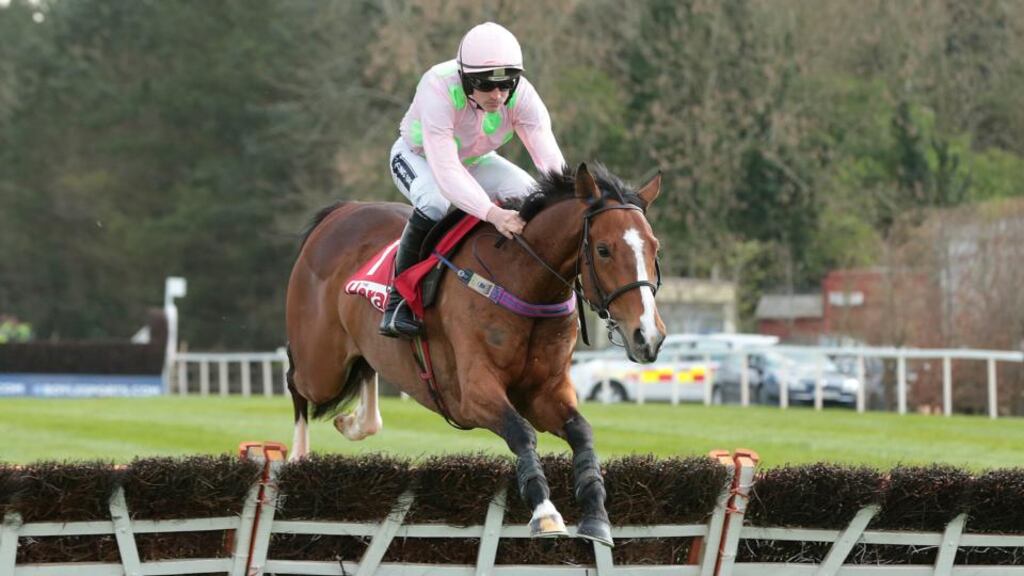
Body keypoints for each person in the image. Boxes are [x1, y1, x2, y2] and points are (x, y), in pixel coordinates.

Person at [380, 22, 567, 338]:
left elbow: (550, 162)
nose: (497, 95)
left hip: (475, 161)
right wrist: (494, 214)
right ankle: (397, 302)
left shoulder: (522, 95)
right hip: (419, 158)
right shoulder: (437, 87)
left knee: (532, 195)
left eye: (506, 84)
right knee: (435, 202)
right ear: (466, 80)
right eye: (486, 86)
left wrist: (567, 197)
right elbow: (446, 172)